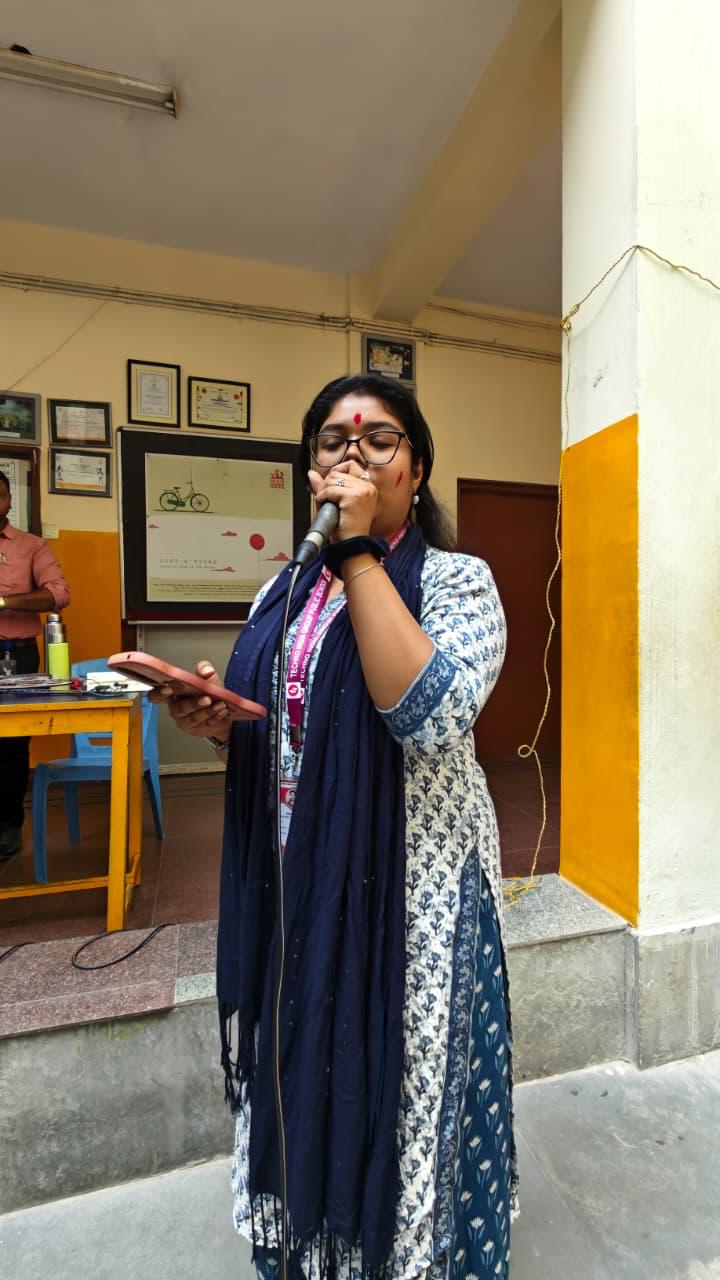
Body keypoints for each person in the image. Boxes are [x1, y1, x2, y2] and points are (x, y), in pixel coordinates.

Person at [153, 374, 516, 1280]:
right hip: (298, 888)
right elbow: (284, 724)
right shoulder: (283, 591)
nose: (352, 453)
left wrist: (357, 557)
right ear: (311, 469)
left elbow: (429, 715)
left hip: (415, 905)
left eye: (379, 439)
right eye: (332, 441)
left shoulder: (458, 583)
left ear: (416, 472)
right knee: (302, 1076)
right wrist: (219, 719)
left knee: (406, 1098)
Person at [0, 469, 71, 859]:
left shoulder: (31, 546)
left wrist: (4, 602)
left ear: (9, 500)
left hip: (15, 655)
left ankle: (7, 826)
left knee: (10, 745)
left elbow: (59, 594)